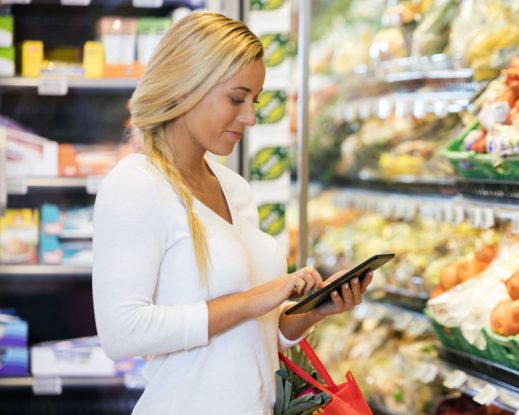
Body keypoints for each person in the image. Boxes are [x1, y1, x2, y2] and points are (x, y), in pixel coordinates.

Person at [92, 11, 372, 414]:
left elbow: (249, 339)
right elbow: (122, 334)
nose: (250, 117)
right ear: (187, 86)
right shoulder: (136, 184)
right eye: (236, 98)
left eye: (254, 100)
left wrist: (309, 313)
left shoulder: (234, 188)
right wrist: (255, 299)